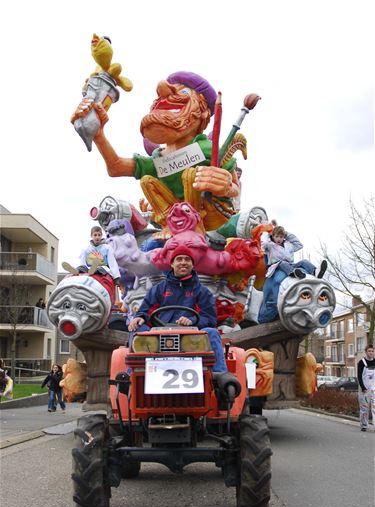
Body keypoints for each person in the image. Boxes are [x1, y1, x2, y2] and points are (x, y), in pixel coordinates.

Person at [71, 72, 241, 230]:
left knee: (190, 174)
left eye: (184, 93)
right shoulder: (160, 158)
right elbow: (116, 167)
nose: (162, 89)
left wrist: (226, 186)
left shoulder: (205, 149)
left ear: (203, 112)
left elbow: (235, 187)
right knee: (146, 180)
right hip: (175, 223)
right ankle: (171, 228)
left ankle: (191, 229)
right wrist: (98, 135)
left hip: (209, 217)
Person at [128, 245, 228, 374]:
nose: (183, 263)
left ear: (192, 265)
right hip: (158, 337)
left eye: (187, 259)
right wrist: (139, 317)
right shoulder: (159, 289)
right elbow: (145, 310)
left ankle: (219, 376)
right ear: (172, 264)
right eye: (179, 259)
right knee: (136, 330)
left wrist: (192, 321)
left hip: (193, 339)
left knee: (212, 332)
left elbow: (209, 319)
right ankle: (132, 376)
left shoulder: (202, 292)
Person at [261, 225, 327, 279]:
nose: (279, 239)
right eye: (277, 236)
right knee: (283, 263)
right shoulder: (270, 246)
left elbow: (299, 245)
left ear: (284, 237)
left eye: (281, 237)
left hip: (291, 264)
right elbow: (263, 244)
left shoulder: (288, 245)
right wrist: (266, 234)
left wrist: (287, 235)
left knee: (304, 261)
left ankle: (315, 272)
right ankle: (293, 273)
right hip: (276, 265)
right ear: (273, 236)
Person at [357, 344, 375, 432]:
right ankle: (364, 425)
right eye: (369, 351)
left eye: (372, 351)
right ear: (366, 352)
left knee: (374, 407)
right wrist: (363, 387)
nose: (371, 353)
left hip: (374, 388)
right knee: (364, 408)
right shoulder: (361, 362)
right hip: (364, 388)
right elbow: (359, 376)